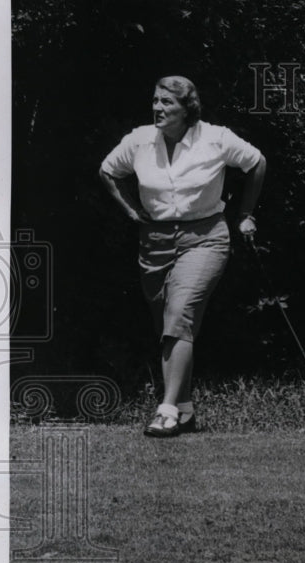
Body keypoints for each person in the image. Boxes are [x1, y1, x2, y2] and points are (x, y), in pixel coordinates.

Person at [99, 76, 266, 438]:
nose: (157, 108)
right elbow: (108, 170)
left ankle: (166, 409)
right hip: (154, 241)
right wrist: (130, 211)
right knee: (169, 327)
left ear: (187, 108)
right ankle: (186, 409)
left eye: (167, 103)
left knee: (180, 313)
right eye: (155, 101)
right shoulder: (140, 140)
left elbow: (257, 162)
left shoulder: (216, 138)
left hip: (205, 237)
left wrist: (246, 214)